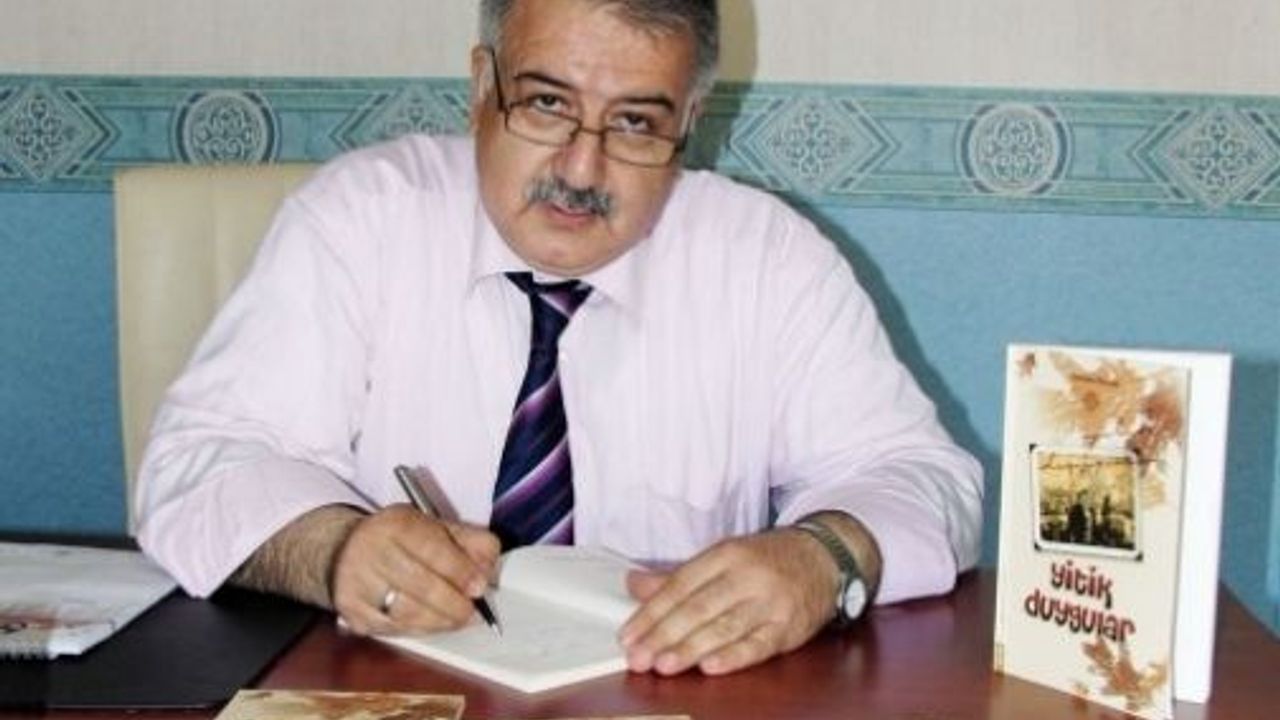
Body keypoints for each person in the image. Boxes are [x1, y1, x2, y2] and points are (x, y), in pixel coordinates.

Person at [136, 0, 983, 678]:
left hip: (669, 695)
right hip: (387, 690)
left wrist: (823, 559)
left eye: (636, 124)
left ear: (689, 121)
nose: (582, 170)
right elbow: (195, 464)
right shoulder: (360, 220)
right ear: (482, 86)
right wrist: (335, 549)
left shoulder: (768, 259)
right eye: (547, 105)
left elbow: (924, 479)